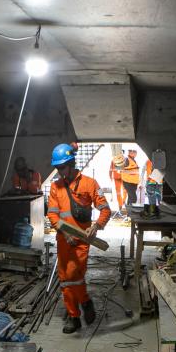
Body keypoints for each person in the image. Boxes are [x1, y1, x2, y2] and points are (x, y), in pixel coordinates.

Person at [46, 143, 112, 334]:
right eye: (57, 168)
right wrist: (65, 233)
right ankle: (74, 316)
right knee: (65, 279)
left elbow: (105, 209)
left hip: (82, 240)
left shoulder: (89, 184)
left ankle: (84, 303)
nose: (59, 172)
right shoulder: (55, 187)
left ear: (72, 163)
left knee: (74, 275)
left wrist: (97, 226)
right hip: (63, 239)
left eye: (62, 167)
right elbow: (52, 215)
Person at [109, 152, 127, 216]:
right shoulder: (113, 160)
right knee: (118, 193)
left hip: (124, 178)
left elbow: (127, 168)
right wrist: (110, 176)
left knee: (125, 191)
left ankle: (123, 203)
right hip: (117, 178)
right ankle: (120, 206)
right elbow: (110, 169)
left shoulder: (125, 160)